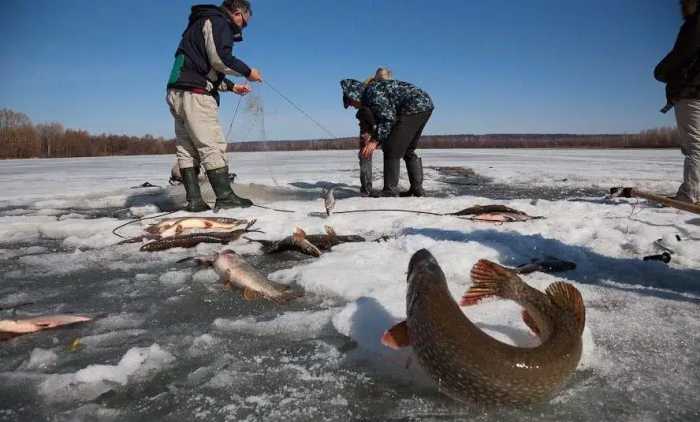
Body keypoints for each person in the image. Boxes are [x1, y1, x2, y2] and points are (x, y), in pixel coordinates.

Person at [166, 0, 262, 212]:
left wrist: (232, 87)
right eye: (244, 23)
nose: (242, 28)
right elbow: (220, 59)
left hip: (177, 93)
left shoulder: (198, 24)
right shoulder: (219, 22)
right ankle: (225, 196)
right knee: (212, 144)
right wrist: (248, 72)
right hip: (196, 95)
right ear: (237, 13)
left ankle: (194, 200)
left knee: (187, 148)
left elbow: (200, 66)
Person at [341, 77, 434, 197]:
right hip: (424, 105)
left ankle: (390, 190)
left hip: (414, 107)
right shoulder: (372, 92)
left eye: (351, 103)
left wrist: (374, 141)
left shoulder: (372, 94)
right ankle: (417, 189)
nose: (353, 107)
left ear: (354, 96)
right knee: (408, 149)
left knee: (391, 147)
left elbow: (388, 119)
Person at [655, 0, 700, 205]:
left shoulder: (695, 24)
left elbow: (681, 55)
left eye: (685, 2)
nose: (681, 6)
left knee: (694, 146)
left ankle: (689, 193)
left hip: (691, 93)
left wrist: (661, 71)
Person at [356, 68, 393, 196]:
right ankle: (367, 188)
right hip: (370, 126)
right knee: (366, 153)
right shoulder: (370, 88)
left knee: (390, 153)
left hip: (382, 124)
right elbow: (364, 110)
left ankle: (388, 187)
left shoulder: (387, 89)